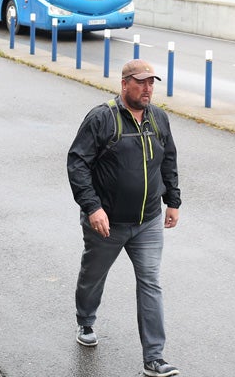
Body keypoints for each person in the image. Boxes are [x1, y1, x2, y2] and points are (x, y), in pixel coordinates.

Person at [67, 59, 182, 377]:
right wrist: (92, 208)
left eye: (152, 83)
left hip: (148, 221)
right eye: (141, 82)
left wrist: (172, 200)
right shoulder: (102, 118)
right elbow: (77, 163)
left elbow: (168, 159)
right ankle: (86, 320)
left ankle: (154, 357)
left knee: (151, 283)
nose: (148, 89)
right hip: (108, 223)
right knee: (93, 277)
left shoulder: (158, 118)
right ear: (124, 84)